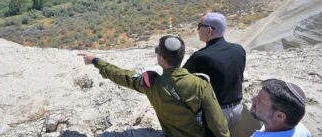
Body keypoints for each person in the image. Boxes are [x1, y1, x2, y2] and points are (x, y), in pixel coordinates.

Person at [78, 35, 230, 137]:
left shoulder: (151, 84)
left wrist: (96, 61)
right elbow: (218, 124)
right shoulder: (200, 84)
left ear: (162, 60)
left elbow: (121, 76)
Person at [183, 12, 246, 128]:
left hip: (216, 114)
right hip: (238, 110)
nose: (198, 30)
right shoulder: (239, 50)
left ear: (209, 30)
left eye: (199, 26)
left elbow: (181, 78)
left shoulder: (201, 57)